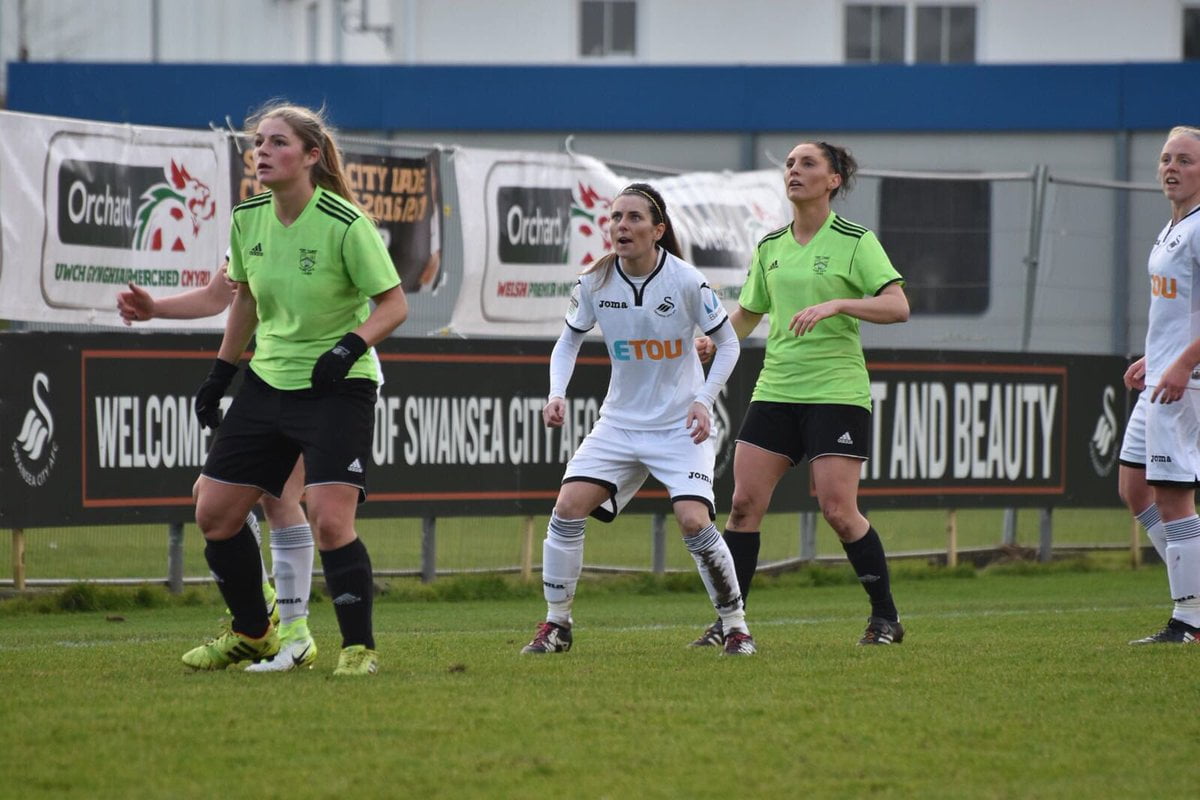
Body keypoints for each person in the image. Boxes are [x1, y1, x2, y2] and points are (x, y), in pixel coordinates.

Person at [180, 101, 408, 676]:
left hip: (338, 386)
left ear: (311, 156)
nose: (263, 152)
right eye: (259, 142)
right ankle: (254, 633)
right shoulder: (247, 217)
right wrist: (220, 373)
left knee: (330, 520)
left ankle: (358, 650)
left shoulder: (345, 223)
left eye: (278, 143)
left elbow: (394, 305)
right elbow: (246, 300)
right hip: (267, 381)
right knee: (214, 512)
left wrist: (349, 347)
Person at [521, 183, 756, 657]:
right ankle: (557, 625)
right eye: (614, 218)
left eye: (633, 219)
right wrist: (556, 393)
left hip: (677, 427)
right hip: (620, 425)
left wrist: (704, 399)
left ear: (658, 230)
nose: (620, 227)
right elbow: (568, 341)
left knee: (693, 521)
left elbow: (728, 343)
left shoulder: (687, 281)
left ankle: (736, 627)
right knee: (567, 507)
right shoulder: (593, 282)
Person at [692, 141, 910, 647]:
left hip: (836, 390)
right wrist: (715, 336)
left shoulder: (856, 241)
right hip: (777, 388)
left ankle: (885, 619)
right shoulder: (771, 246)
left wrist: (838, 304)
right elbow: (747, 314)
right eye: (789, 164)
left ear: (833, 179)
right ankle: (730, 624)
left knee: (837, 509)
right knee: (743, 505)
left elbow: (898, 307)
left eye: (807, 163)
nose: (794, 170)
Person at [118, 260, 320, 672]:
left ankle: (294, 635)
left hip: (318, 376)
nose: (262, 189)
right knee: (211, 498)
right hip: (272, 377)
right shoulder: (253, 221)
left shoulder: (326, 220)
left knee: (279, 498)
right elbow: (218, 296)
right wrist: (155, 308)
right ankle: (265, 610)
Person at [1119, 125, 1200, 645]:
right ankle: (1192, 584)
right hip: (1164, 377)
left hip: (1187, 383)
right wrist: (1156, 356)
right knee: (1133, 488)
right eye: (1167, 158)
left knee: (1173, 497)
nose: (1172, 167)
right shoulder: (1173, 225)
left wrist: (1181, 365)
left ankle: (1190, 617)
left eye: (1186, 160)